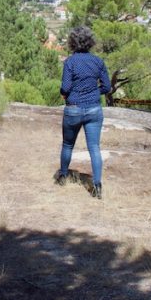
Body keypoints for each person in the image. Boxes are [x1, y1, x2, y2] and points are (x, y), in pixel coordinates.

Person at [55, 26, 111, 199]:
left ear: (72, 42)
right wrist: (94, 93)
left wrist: (66, 95)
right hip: (94, 109)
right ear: (90, 42)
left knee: (68, 145)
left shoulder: (70, 62)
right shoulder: (98, 62)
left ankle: (63, 176)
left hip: (73, 108)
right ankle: (97, 186)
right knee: (94, 147)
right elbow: (107, 87)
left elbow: (65, 87)